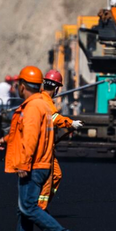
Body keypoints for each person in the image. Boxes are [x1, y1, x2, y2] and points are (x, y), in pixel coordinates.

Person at [0, 66, 74, 231]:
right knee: (24, 208)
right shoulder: (43, 105)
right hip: (43, 162)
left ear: (22, 86)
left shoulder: (32, 107)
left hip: (34, 164)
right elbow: (26, 132)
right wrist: (6, 139)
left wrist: (24, 164)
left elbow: (30, 138)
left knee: (28, 207)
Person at [38, 70, 83, 210]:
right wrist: (71, 123)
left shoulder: (40, 98)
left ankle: (39, 206)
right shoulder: (45, 100)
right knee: (48, 178)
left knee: (56, 175)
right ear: (56, 88)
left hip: (47, 147)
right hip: (43, 148)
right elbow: (54, 118)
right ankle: (39, 210)